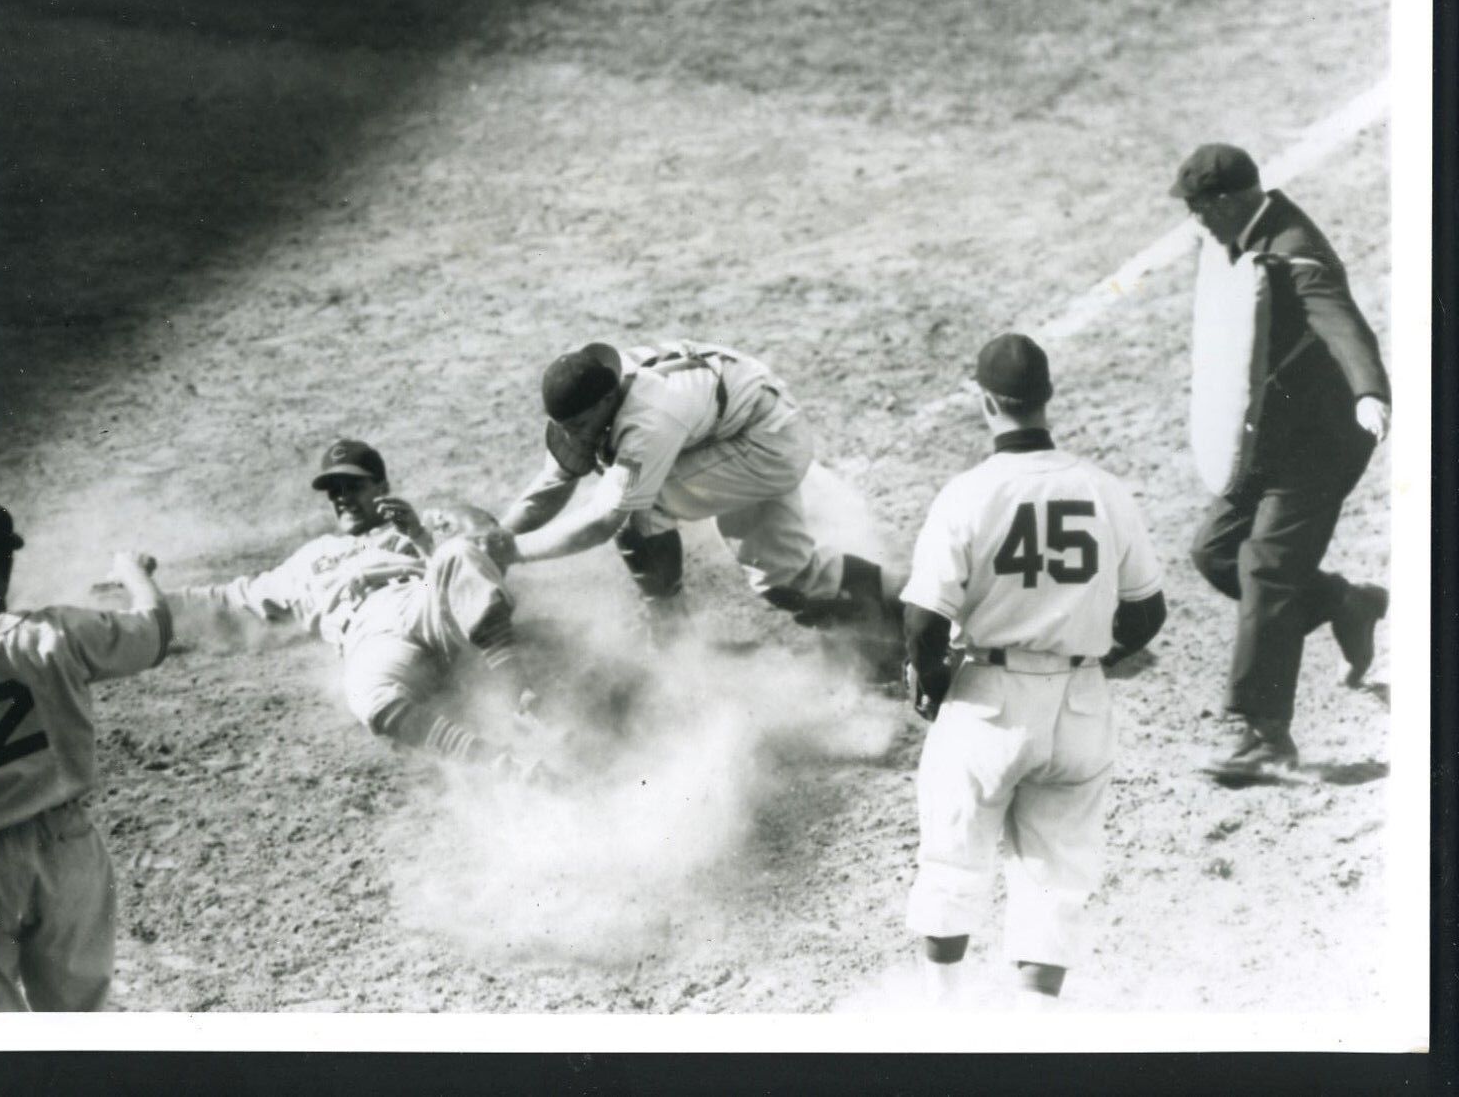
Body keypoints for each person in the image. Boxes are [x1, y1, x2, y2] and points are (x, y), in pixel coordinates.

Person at [900, 334, 1166, 1004]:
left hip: (988, 701)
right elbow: (1147, 611)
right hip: (1079, 705)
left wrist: (931, 682)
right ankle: (1031, 1037)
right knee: (1056, 879)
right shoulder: (1104, 489)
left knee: (953, 866)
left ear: (984, 402)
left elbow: (924, 620)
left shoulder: (968, 493)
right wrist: (1094, 656)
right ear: (1047, 398)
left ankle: (942, 1021)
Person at [1171, 143, 1391, 782]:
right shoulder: (1243, 234)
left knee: (1266, 567)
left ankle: (1264, 732)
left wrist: (1370, 390)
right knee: (1216, 553)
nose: (1196, 222)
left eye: (1200, 208)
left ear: (1230, 200)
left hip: (1321, 445)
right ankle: (1344, 603)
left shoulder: (1295, 246)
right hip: (1265, 438)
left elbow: (1341, 322)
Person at [167, 438, 549, 781]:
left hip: (421, 601)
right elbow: (229, 597)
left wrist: (419, 535)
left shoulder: (421, 521)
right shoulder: (311, 557)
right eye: (334, 490)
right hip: (368, 635)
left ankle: (523, 700)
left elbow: (486, 550)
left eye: (354, 486)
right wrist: (146, 599)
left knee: (458, 553)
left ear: (382, 488)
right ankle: (500, 765)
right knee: (368, 696)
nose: (342, 497)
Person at [489, 339, 901, 656]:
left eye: (579, 424)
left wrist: (515, 551)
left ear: (608, 399)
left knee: (636, 504)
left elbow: (604, 520)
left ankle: (671, 630)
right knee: (784, 579)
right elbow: (553, 482)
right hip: (742, 424)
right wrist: (492, 538)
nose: (572, 435)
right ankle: (907, 598)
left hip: (764, 444)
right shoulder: (598, 387)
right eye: (564, 426)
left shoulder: (648, 418)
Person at [0, 504, 173, 1011]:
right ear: (4, 566)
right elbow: (155, 631)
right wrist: (135, 574)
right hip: (64, 844)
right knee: (77, 1023)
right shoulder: (54, 633)